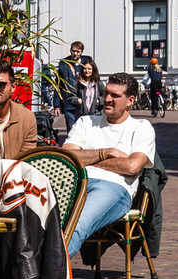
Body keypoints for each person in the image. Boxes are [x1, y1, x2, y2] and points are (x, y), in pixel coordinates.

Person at [61, 72, 157, 256]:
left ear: (130, 100)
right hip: (74, 182)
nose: (107, 99)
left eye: (115, 95)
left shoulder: (141, 128)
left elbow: (132, 167)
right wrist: (105, 153)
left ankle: (48, 278)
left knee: (77, 225)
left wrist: (86, 159)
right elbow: (66, 157)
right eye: (106, 93)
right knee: (41, 219)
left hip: (114, 188)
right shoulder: (86, 122)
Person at [56, 41, 86, 130]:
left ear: (81, 52)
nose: (75, 54)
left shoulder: (86, 65)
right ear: (70, 50)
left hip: (83, 103)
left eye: (78, 52)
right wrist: (56, 105)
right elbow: (58, 85)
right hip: (68, 103)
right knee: (72, 130)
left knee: (84, 130)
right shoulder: (64, 65)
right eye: (73, 51)